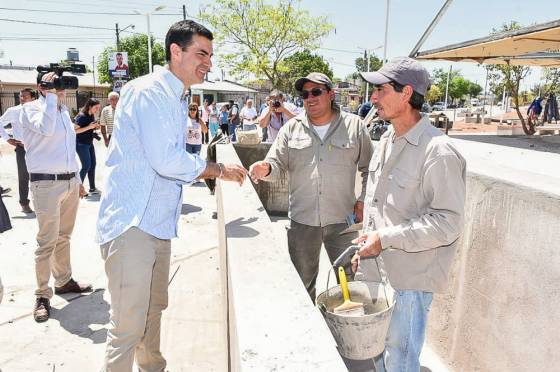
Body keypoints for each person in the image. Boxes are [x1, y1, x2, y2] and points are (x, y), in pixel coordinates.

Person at [96, 20, 247, 372]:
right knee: (127, 327)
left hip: (157, 224)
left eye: (210, 55)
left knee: (153, 310)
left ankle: (152, 368)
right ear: (175, 52)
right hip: (131, 224)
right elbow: (166, 161)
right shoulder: (149, 91)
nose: (208, 62)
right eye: (201, 53)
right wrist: (218, 171)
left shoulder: (177, 95)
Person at [352, 57, 466, 372]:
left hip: (409, 282)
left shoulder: (438, 151)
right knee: (377, 354)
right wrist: (366, 243)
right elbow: (379, 206)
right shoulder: (387, 138)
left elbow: (448, 223)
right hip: (377, 271)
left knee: (400, 361)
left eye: (381, 89)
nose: (373, 98)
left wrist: (384, 238)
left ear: (406, 94)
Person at [249, 72, 373, 301]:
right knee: (302, 287)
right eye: (305, 94)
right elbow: (275, 164)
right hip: (302, 222)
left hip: (343, 222)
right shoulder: (291, 128)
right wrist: (264, 169)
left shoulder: (354, 126)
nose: (310, 97)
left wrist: (364, 200)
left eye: (316, 91)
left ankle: (345, 331)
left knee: (351, 285)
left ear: (331, 94)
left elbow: (371, 169)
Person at [20, 70, 92, 323]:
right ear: (42, 87)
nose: (61, 90)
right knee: (46, 242)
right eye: (55, 86)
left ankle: (63, 281)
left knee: (64, 237)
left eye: (62, 86)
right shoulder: (30, 110)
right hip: (46, 185)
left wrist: (77, 179)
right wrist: (50, 97)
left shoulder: (62, 112)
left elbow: (67, 148)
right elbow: (46, 130)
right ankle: (42, 295)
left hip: (69, 182)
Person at [0, 88, 37, 213]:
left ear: (33, 98)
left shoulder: (38, 110)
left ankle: (40, 201)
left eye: (25, 96)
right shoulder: (13, 111)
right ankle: (24, 203)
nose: (22, 99)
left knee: (40, 175)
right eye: (21, 96)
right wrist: (7, 138)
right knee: (23, 176)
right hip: (22, 148)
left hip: (37, 148)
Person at [74, 98, 102, 195]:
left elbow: (88, 127)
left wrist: (95, 127)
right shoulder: (81, 116)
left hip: (89, 143)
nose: (97, 110)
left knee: (93, 165)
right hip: (81, 144)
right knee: (86, 166)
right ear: (90, 106)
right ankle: (78, 189)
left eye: (99, 108)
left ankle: (92, 187)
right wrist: (89, 127)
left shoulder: (91, 115)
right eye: (96, 107)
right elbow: (74, 131)